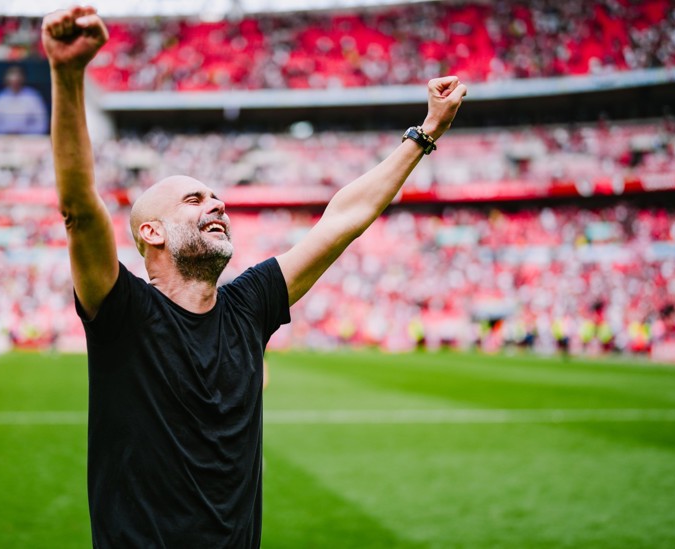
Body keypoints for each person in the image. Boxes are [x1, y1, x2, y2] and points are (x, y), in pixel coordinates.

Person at [42, 6, 465, 547]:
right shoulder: (123, 312)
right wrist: (68, 74)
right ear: (151, 233)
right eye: (195, 199)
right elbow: (79, 208)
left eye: (217, 196)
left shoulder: (247, 307)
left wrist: (426, 132)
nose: (217, 204)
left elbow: (341, 221)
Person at [0, 65, 49, 135]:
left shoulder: (33, 97)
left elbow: (42, 123)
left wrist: (23, 133)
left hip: (28, 141)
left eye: (18, 78)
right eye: (12, 79)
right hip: (3, 141)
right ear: (6, 79)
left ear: (23, 78)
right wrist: (6, 132)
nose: (15, 82)